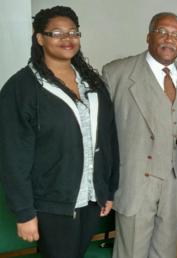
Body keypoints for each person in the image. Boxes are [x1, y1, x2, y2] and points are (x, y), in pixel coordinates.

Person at [0, 6, 118, 258]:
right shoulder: (22, 88)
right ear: (39, 38)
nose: (67, 39)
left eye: (73, 32)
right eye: (57, 33)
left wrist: (107, 188)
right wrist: (24, 213)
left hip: (90, 198)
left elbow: (109, 140)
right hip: (51, 202)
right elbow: (13, 157)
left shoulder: (93, 84)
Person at [102, 12, 177, 258]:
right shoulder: (117, 73)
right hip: (135, 181)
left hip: (175, 181)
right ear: (148, 36)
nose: (170, 39)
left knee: (165, 251)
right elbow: (103, 136)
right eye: (162, 32)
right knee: (131, 252)